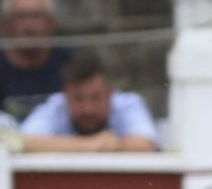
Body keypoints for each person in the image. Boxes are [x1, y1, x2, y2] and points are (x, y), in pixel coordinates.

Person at [18, 52, 159, 152]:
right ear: (65, 95)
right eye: (78, 98)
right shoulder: (56, 107)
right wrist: (94, 144)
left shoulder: (128, 104)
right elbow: (23, 142)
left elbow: (146, 144)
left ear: (111, 94)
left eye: (96, 98)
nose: (87, 109)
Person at [0, 0, 73, 121]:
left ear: (51, 23)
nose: (29, 26)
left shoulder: (71, 66)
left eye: (36, 16)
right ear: (5, 25)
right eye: (21, 16)